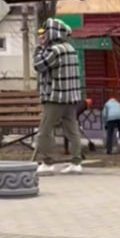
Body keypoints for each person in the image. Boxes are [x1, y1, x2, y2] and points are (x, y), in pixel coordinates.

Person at [32, 18, 85, 175]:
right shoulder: (70, 48)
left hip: (55, 97)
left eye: (45, 33)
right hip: (71, 98)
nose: (43, 36)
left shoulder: (54, 51)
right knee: (72, 131)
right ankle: (76, 163)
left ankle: (47, 163)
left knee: (44, 131)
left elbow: (39, 65)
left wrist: (39, 47)